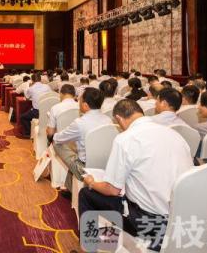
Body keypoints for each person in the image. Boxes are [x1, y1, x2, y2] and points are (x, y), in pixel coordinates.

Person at [79, 99, 192, 251]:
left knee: (86, 194)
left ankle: (91, 244)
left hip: (146, 223)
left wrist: (91, 182)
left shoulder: (125, 139)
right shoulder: (175, 135)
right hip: (180, 219)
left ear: (119, 118)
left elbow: (112, 190)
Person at [53, 88, 111, 190]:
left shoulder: (80, 123)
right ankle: (69, 187)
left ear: (85, 105)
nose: (78, 102)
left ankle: (70, 184)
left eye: (79, 100)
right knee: (77, 147)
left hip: (84, 169)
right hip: (106, 165)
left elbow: (58, 138)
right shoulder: (108, 119)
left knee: (56, 143)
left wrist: (53, 136)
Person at [19, 73, 51, 139]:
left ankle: (28, 133)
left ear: (32, 80)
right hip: (48, 111)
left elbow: (27, 97)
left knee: (22, 117)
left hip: (37, 112)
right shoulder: (47, 86)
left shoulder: (31, 88)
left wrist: (29, 87)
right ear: (40, 79)